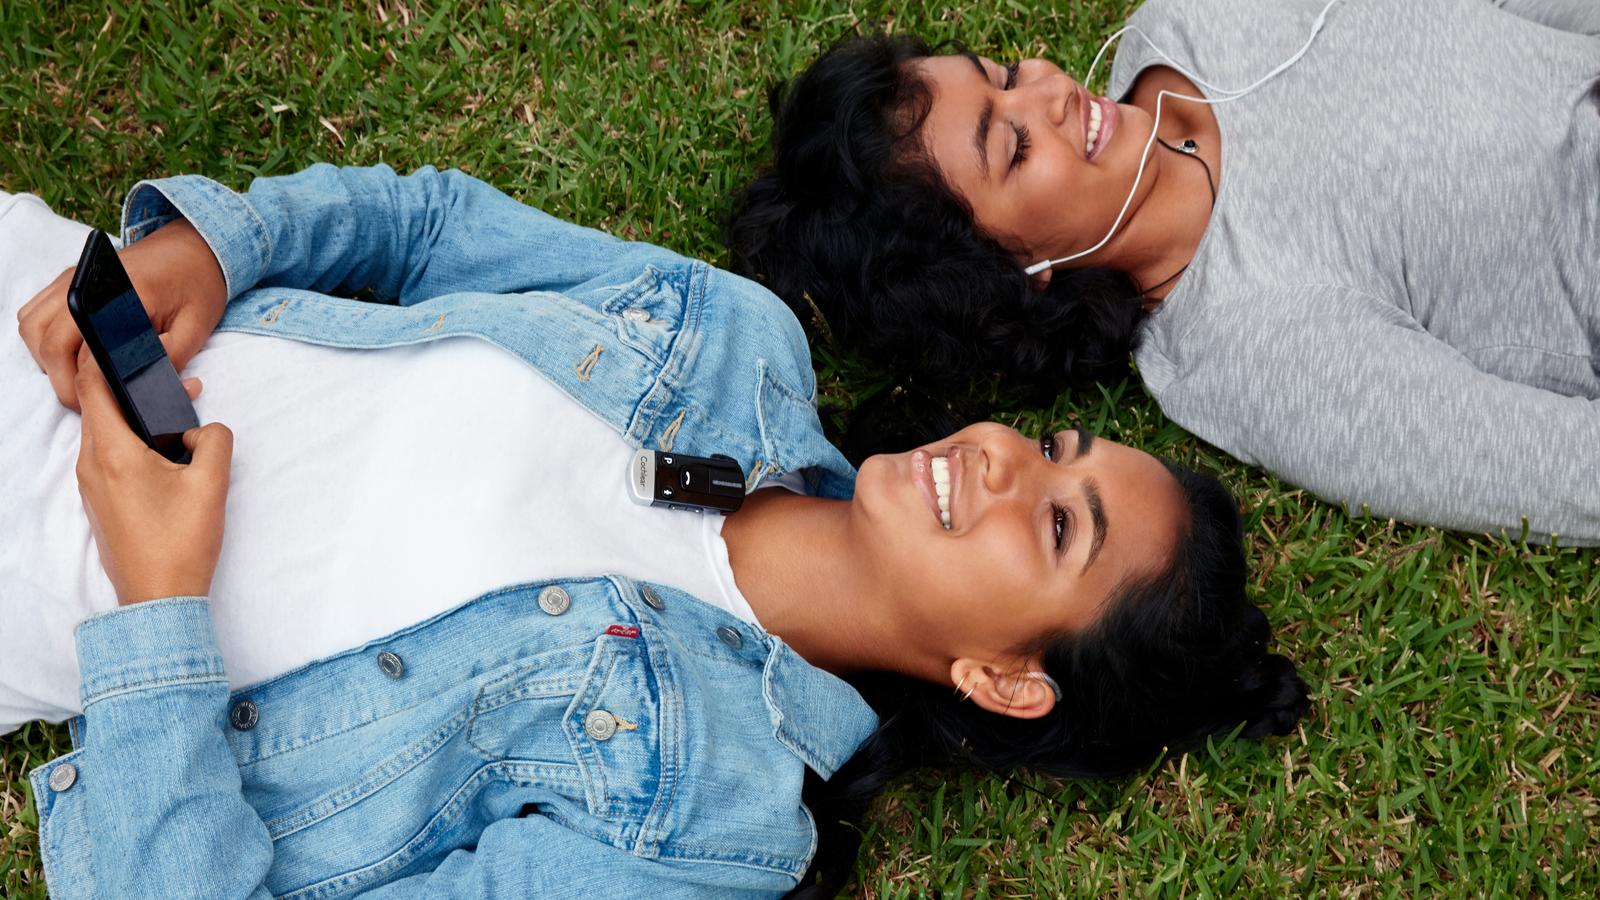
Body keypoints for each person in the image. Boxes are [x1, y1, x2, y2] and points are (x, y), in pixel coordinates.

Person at [3, 165, 1306, 899]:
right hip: (44, 299)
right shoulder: (736, 347)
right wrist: (221, 250)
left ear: (1007, 678)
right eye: (1053, 446)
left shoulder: (704, 826)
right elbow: (430, 229)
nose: (1006, 461)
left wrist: (151, 600)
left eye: (1060, 527)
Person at [725, 0, 1600, 547]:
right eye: (1015, 145)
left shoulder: (1192, 20)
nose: (1054, 94)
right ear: (1013, 272)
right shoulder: (1254, 345)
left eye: (1005, 74)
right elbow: (1563, 472)